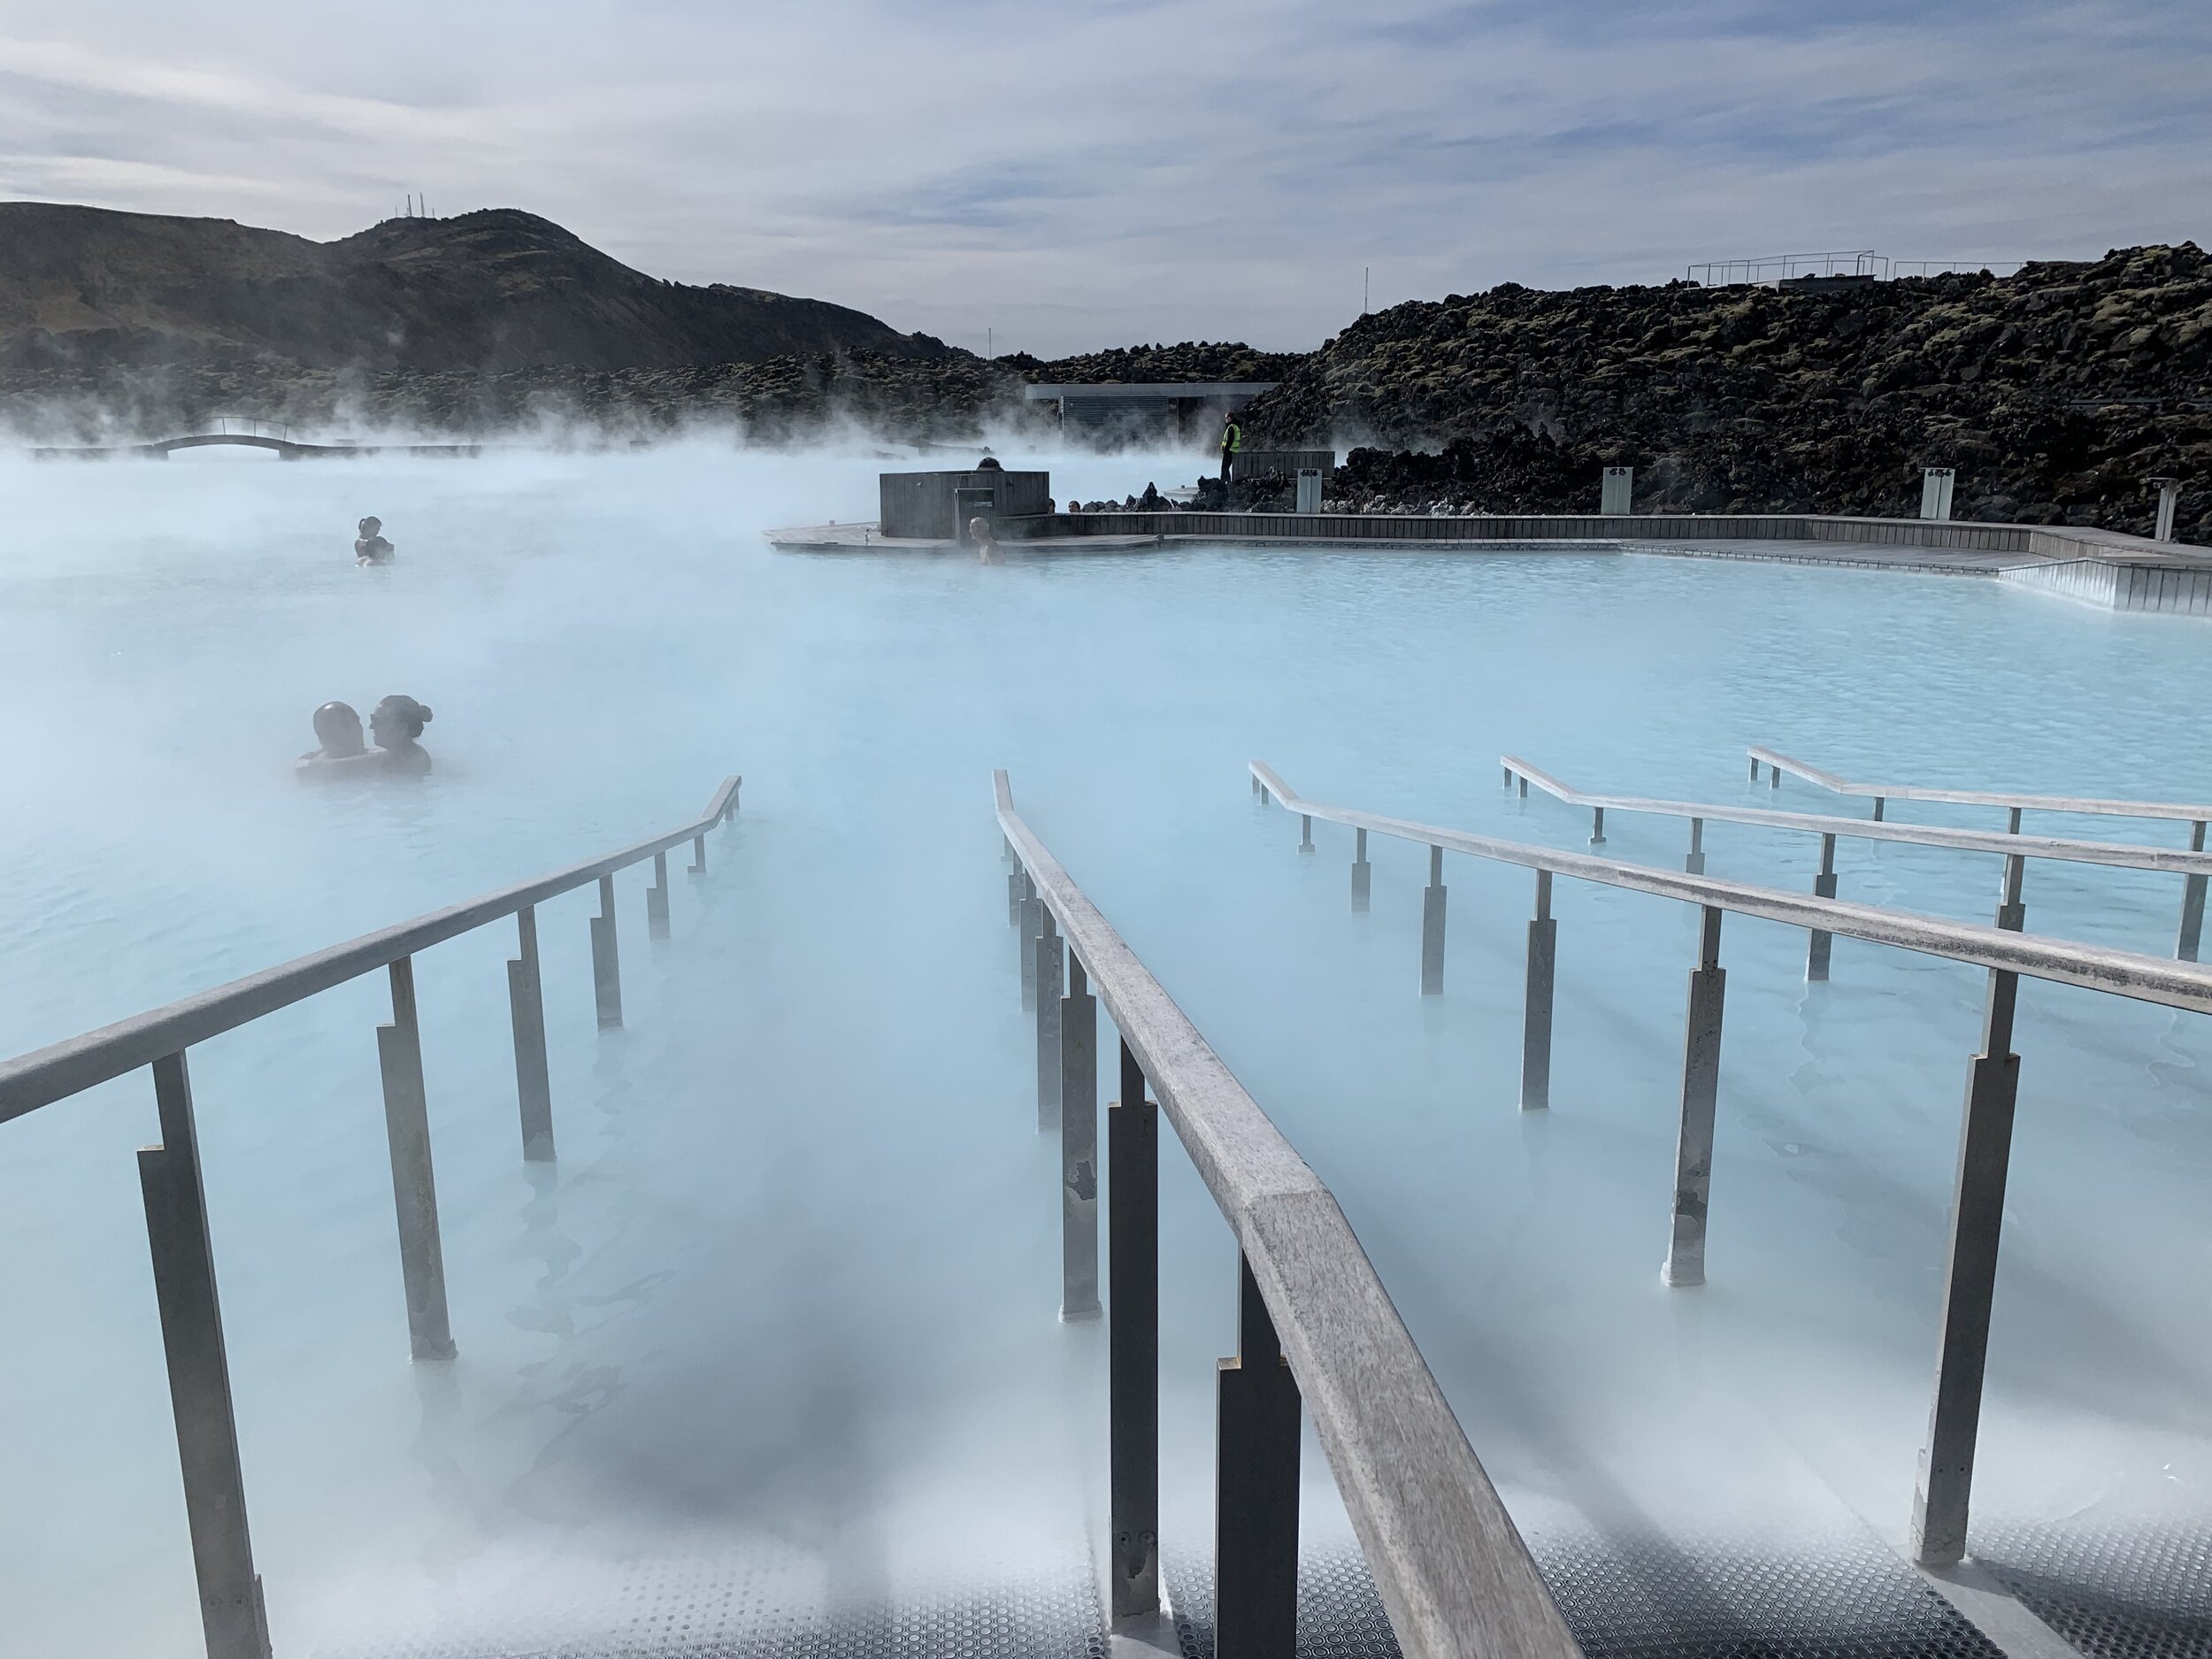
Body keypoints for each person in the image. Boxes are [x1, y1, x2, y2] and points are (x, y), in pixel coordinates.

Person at [295, 702, 367, 779]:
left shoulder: (375, 759)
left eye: (356, 723)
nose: (356, 731)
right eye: (345, 725)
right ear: (322, 737)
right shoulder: (308, 769)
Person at [368, 695, 434, 774]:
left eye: (378, 721)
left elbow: (350, 768)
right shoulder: (414, 753)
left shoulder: (398, 759)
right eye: (372, 719)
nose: (371, 726)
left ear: (401, 729)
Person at [1218, 412, 1241, 481]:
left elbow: (1230, 440)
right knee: (1226, 468)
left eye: (1226, 418)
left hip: (1229, 451)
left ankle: (1225, 483)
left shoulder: (1232, 427)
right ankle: (1226, 482)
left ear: (1229, 418)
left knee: (1224, 468)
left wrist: (1225, 449)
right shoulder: (1236, 427)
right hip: (1234, 451)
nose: (1225, 420)